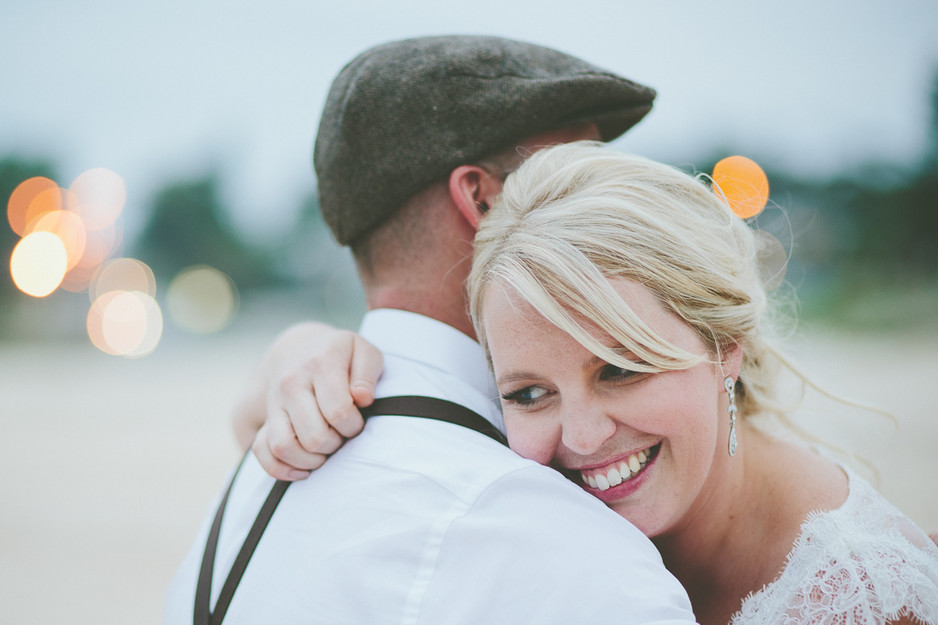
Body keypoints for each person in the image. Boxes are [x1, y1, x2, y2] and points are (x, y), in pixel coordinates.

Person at [242, 143, 938, 625]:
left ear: (726, 344)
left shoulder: (866, 597)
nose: (580, 436)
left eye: (622, 368)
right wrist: (297, 350)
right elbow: (252, 420)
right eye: (529, 393)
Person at [165, 36, 698, 624]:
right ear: (482, 199)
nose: (612, 207)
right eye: (576, 176)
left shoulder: (249, 487)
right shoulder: (551, 543)